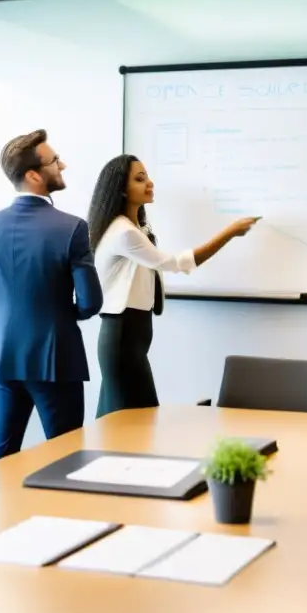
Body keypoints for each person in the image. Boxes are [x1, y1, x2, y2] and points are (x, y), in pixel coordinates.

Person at [87, 154, 259, 419]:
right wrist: (229, 233)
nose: (150, 183)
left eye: (147, 176)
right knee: (130, 419)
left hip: (132, 332)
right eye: (140, 179)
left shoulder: (135, 229)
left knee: (130, 418)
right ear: (121, 189)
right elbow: (175, 263)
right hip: (123, 333)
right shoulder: (123, 232)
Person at [0, 129, 102, 460]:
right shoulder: (72, 228)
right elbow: (90, 302)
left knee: (2, 451)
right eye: (55, 161)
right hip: (54, 357)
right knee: (66, 454)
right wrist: (57, 313)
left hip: (1, 356)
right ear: (33, 175)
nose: (63, 165)